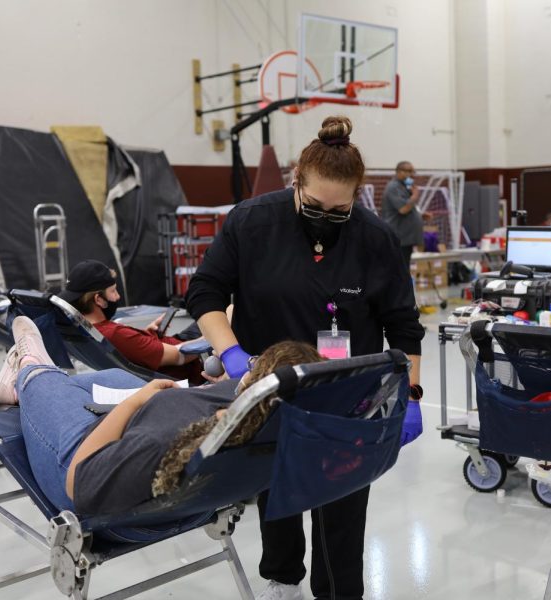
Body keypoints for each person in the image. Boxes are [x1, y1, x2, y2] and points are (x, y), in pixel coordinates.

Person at [186, 115, 426, 600]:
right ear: (296, 180)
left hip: (348, 394)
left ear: (358, 196)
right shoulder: (252, 223)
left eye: (340, 210)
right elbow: (205, 292)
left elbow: (403, 323)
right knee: (276, 488)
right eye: (315, 205)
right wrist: (230, 352)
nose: (326, 217)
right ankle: (282, 580)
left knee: (342, 504)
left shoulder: (376, 239)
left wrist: (411, 395)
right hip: (270, 389)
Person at [0, 316, 325, 519]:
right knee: (110, 376)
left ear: (256, 377)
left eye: (254, 364)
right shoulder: (271, 421)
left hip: (84, 454)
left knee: (41, 378)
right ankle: (44, 383)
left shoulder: (161, 443)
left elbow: (78, 482)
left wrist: (134, 403)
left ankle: (26, 370)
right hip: (156, 415)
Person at [58, 259, 204, 383]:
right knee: (224, 314)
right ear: (99, 300)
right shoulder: (114, 334)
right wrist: (215, 335)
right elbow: (180, 356)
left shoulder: (86, 331)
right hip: (184, 368)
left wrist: (147, 335)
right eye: (113, 291)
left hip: (163, 347)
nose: (118, 297)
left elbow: (132, 349)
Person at [381, 160, 426, 269]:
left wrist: (420, 215)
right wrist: (415, 196)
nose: (411, 174)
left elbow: (408, 207)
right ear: (399, 171)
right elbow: (403, 209)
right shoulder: (393, 187)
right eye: (408, 171)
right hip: (399, 237)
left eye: (412, 171)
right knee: (399, 269)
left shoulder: (404, 186)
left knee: (404, 268)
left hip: (406, 238)